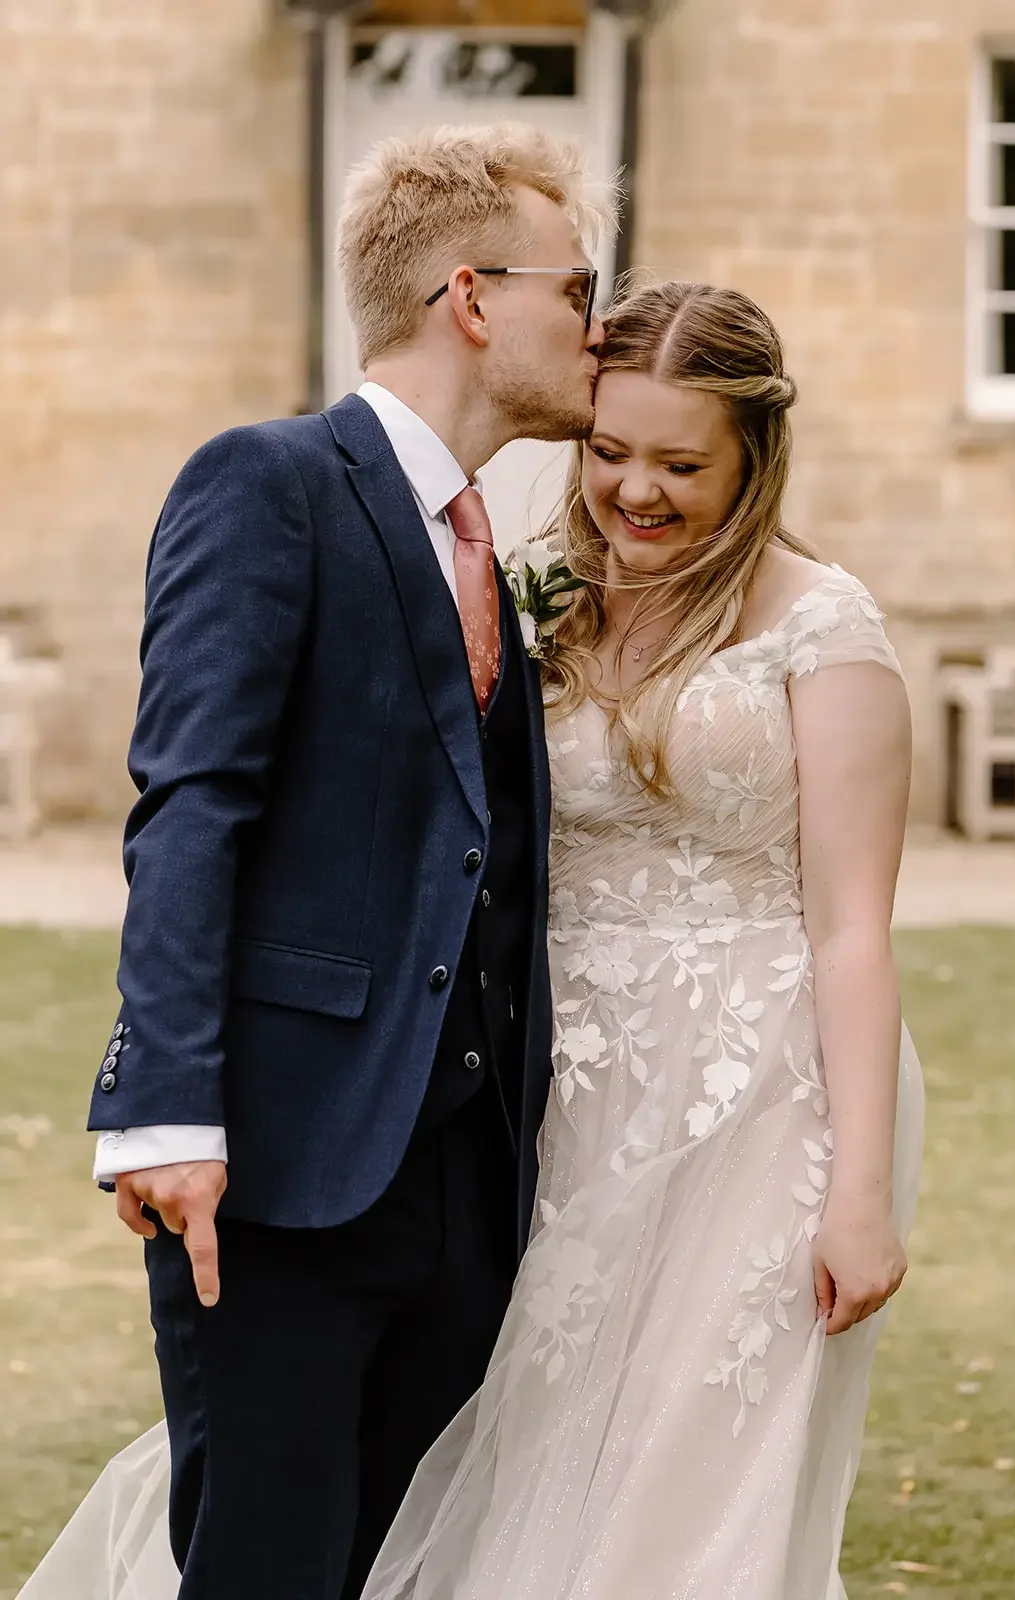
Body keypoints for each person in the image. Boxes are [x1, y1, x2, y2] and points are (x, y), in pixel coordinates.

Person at [16, 123, 612, 1600]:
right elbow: (192, 802)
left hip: (464, 1191)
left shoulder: (493, 543)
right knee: (267, 1568)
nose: (596, 332)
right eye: (577, 293)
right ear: (471, 297)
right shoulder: (265, 481)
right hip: (283, 1171)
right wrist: (161, 1113)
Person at [356, 281, 926, 1600]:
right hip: (545, 1085)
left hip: (763, 1094)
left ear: (753, 460)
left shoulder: (821, 627)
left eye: (682, 464)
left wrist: (856, 1194)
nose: (637, 492)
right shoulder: (528, 595)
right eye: (609, 452)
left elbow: (847, 927)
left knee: (691, 1474)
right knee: (522, 1431)